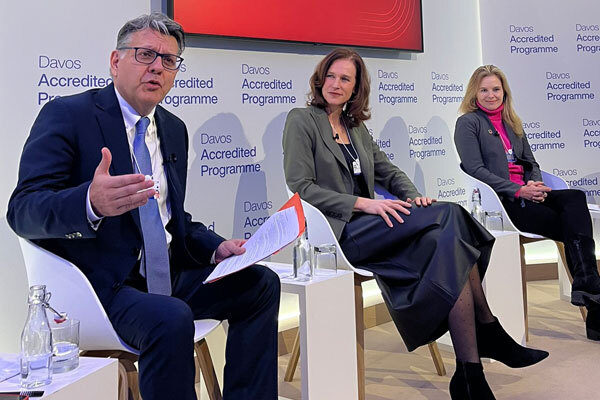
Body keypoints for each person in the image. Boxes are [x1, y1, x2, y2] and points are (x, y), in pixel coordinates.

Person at [7, 13, 280, 400]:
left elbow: (173, 218)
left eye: (169, 60)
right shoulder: (68, 115)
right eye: (146, 54)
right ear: (116, 61)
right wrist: (90, 203)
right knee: (170, 317)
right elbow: (23, 211)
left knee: (261, 283)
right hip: (101, 288)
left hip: (165, 276)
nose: (157, 67)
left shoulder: (172, 128)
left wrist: (215, 247)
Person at [282, 48, 548, 399]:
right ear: (320, 78)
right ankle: (487, 328)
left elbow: (389, 172)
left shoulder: (354, 127)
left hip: (375, 224)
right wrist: (364, 203)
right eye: (331, 76)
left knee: (446, 241)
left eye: (345, 78)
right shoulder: (302, 120)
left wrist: (412, 196)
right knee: (452, 214)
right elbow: (301, 186)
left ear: (355, 88)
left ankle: (469, 374)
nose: (335, 84)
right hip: (339, 232)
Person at [454, 65, 600, 340]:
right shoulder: (468, 123)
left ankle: (587, 284)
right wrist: (517, 190)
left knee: (575, 197)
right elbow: (474, 169)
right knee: (571, 227)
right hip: (505, 202)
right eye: (484, 90)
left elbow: (531, 162)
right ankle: (592, 296)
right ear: (474, 93)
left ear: (504, 92)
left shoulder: (512, 122)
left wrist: (533, 183)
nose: (490, 95)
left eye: (496, 89)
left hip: (529, 193)